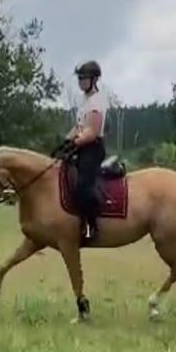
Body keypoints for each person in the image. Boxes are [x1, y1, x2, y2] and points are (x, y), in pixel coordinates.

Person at [66, 60, 109, 242]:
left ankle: (92, 226)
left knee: (83, 185)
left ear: (94, 79)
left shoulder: (97, 102)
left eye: (84, 78)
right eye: (80, 79)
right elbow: (78, 126)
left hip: (92, 149)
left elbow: (91, 132)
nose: (81, 82)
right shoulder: (84, 100)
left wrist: (75, 142)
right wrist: (64, 142)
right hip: (81, 145)